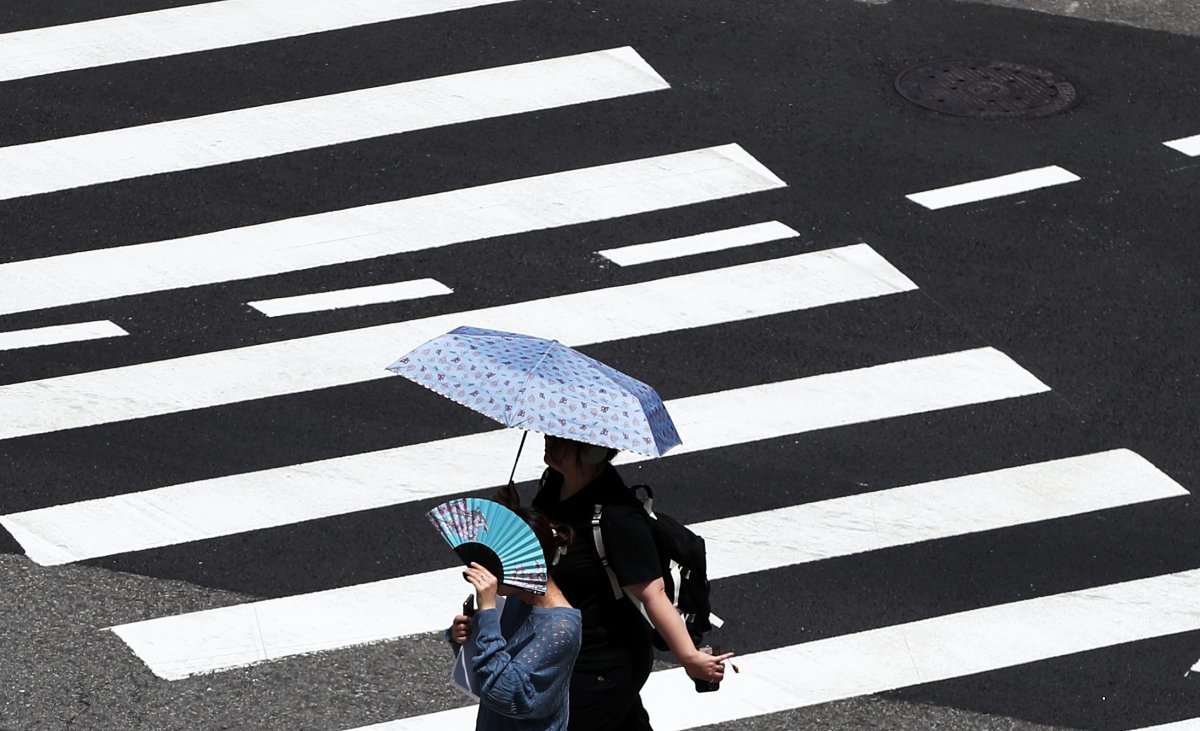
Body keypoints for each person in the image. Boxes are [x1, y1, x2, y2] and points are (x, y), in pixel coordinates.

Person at [497, 435, 733, 731]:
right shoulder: (552, 486)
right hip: (567, 648)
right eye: (548, 433)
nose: (548, 440)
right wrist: (514, 514)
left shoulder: (617, 516)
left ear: (592, 451)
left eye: (559, 438)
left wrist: (689, 657)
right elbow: (543, 552)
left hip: (602, 664)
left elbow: (653, 594)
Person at [446, 507, 582, 731]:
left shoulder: (561, 627)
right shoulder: (516, 599)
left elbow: (504, 693)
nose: (486, 571)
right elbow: (484, 669)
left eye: (493, 562)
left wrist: (488, 611)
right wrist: (464, 637)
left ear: (523, 563)